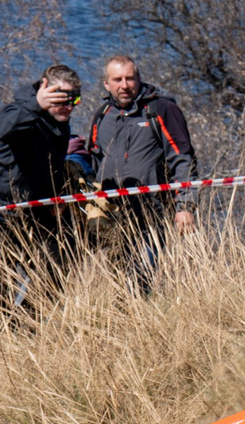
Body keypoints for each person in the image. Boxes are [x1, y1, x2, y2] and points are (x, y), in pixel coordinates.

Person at [0, 65, 83, 321]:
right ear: (44, 88)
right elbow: (6, 127)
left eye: (74, 100)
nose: (68, 106)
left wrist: (55, 195)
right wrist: (36, 105)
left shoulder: (60, 122)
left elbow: (48, 163)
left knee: (60, 260)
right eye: (61, 99)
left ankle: (28, 326)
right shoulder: (21, 110)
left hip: (28, 208)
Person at [75, 55, 197, 289]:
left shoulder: (161, 109)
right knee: (114, 281)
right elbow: (95, 162)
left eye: (130, 78)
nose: (124, 85)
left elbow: (183, 159)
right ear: (106, 84)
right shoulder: (102, 114)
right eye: (117, 79)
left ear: (139, 79)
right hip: (112, 215)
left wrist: (185, 206)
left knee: (141, 278)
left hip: (153, 214)